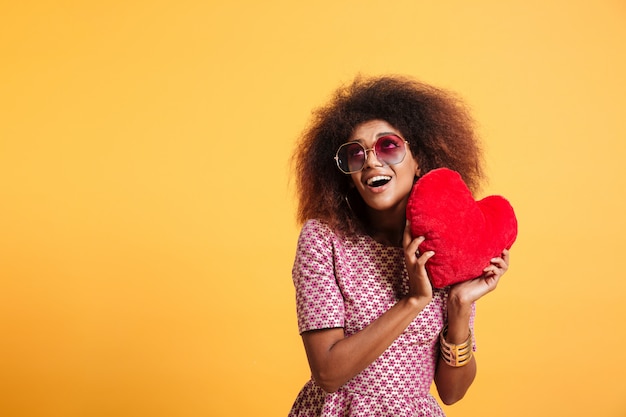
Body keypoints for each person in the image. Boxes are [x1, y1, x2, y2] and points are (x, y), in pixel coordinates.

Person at [288, 75, 510, 417]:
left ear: (418, 158)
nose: (373, 162)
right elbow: (328, 374)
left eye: (387, 146)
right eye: (355, 155)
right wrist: (414, 300)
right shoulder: (324, 240)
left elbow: (452, 393)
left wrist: (459, 305)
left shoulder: (447, 246)